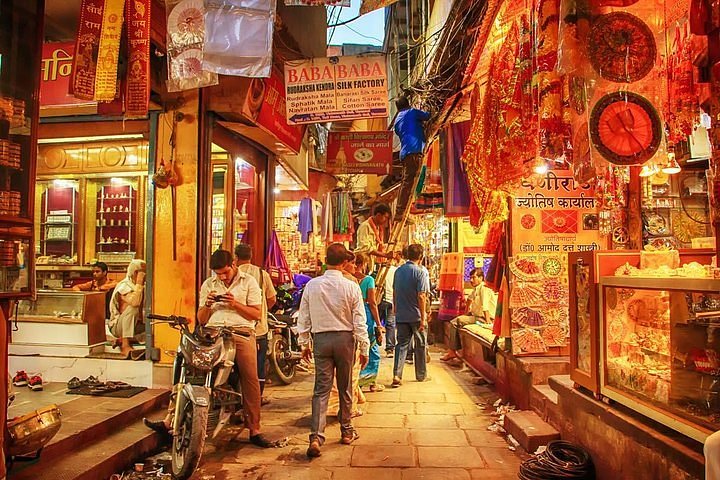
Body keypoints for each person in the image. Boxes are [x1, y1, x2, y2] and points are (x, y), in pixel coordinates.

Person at [297, 243, 370, 458]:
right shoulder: (351, 286)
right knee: (345, 386)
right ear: (345, 262)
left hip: (321, 339)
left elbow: (304, 315)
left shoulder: (312, 285)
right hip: (345, 340)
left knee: (321, 389)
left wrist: (304, 342)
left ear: (325, 260)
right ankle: (346, 431)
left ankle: (316, 437)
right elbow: (359, 320)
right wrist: (364, 346)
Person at [234, 243, 276, 402]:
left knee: (237, 367)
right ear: (251, 257)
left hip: (237, 329)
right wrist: (262, 310)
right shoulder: (261, 274)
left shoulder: (233, 275)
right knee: (258, 366)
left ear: (236, 258)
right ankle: (257, 398)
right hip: (259, 329)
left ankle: (239, 398)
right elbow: (272, 298)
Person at [391, 244, 430, 387]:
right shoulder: (420, 272)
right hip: (416, 315)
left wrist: (396, 308)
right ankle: (421, 375)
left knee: (401, 345)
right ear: (421, 256)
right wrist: (423, 317)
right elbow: (421, 295)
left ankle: (397, 374)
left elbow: (395, 291)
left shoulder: (398, 271)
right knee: (420, 344)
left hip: (401, 314)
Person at [393, 96, 431, 217]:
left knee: (406, 182)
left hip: (405, 154)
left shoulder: (397, 120)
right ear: (408, 104)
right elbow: (427, 116)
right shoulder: (412, 112)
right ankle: (400, 211)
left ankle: (401, 210)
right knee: (408, 183)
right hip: (414, 152)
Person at [441, 268, 489, 362]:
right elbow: (469, 300)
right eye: (470, 277)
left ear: (481, 278)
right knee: (458, 320)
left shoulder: (484, 288)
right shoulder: (476, 289)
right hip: (476, 316)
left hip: (482, 318)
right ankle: (454, 350)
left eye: (474, 277)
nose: (471, 280)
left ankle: (452, 351)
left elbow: (485, 306)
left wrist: (488, 323)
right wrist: (467, 314)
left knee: (455, 322)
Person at [354, 253, 385, 392]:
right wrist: (378, 323)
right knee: (372, 348)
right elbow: (372, 303)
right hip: (366, 314)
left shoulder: (348, 279)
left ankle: (356, 380)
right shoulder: (369, 280)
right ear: (364, 264)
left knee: (357, 349)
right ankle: (371, 382)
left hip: (352, 314)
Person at [108, 260, 146, 359]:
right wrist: (139, 282)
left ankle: (122, 340)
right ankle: (125, 344)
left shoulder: (144, 287)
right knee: (133, 308)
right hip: (118, 327)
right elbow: (135, 302)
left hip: (137, 326)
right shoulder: (124, 286)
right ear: (136, 273)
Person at [355, 203, 394, 271]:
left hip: (370, 263)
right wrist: (385, 255)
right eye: (385, 217)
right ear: (378, 215)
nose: (386, 220)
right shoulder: (365, 226)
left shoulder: (378, 229)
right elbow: (365, 248)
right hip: (362, 263)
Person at [379, 256, 399, 357]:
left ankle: (371, 345)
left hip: (382, 300)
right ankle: (390, 348)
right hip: (392, 301)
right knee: (390, 324)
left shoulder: (381, 270)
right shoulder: (397, 271)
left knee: (376, 323)